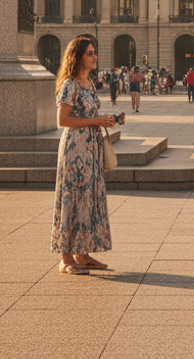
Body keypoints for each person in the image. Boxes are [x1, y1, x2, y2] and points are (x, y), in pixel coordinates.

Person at [51, 37, 116, 275]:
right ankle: (66, 259)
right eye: (90, 53)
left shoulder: (88, 82)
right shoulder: (70, 84)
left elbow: (88, 114)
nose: (95, 56)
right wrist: (95, 121)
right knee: (72, 200)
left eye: (94, 52)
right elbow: (63, 120)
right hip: (74, 150)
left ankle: (83, 254)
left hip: (91, 148)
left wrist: (105, 120)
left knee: (88, 199)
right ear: (77, 57)